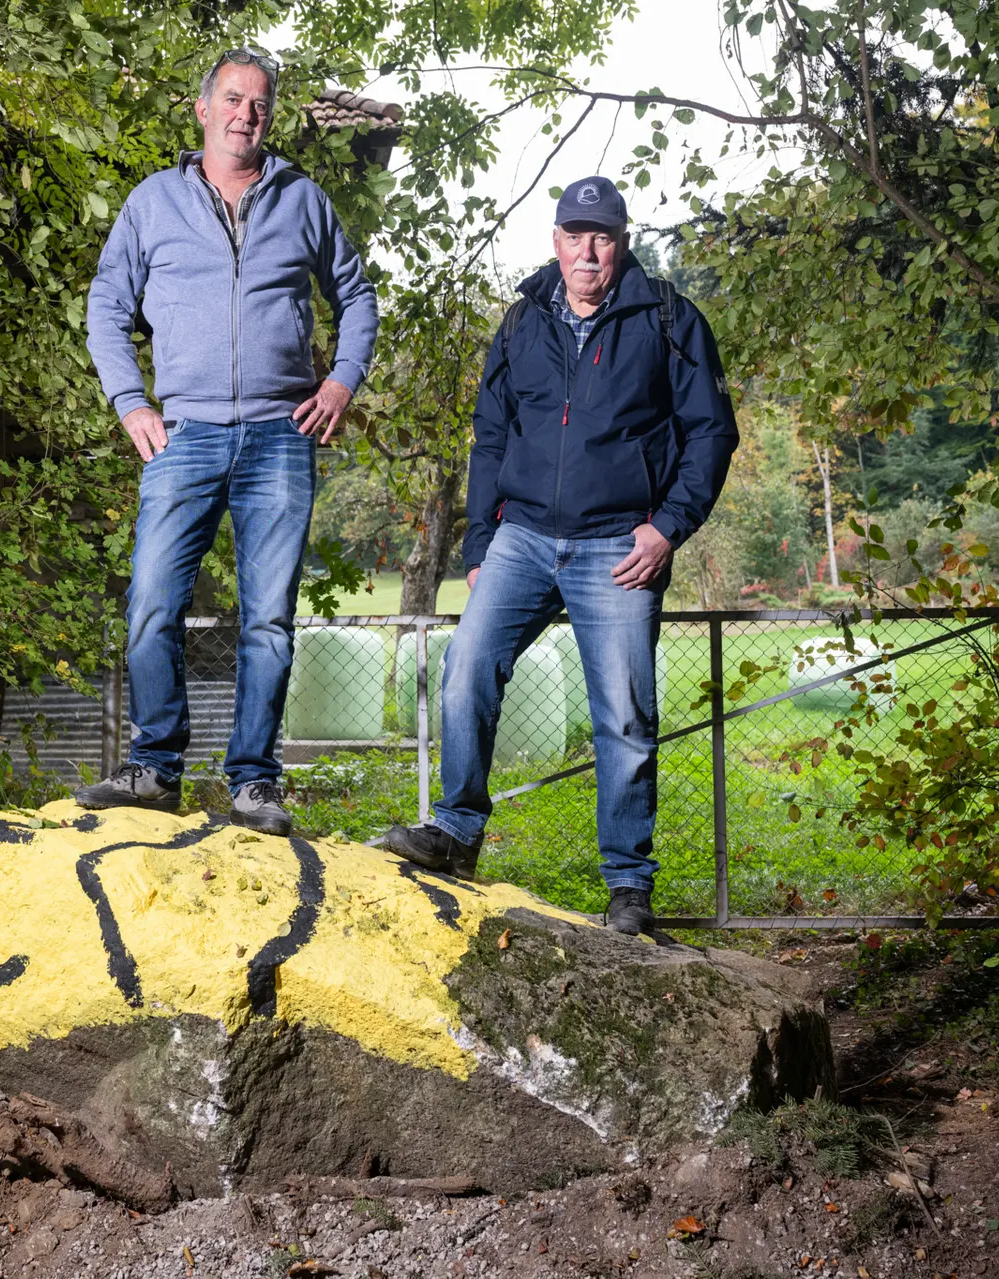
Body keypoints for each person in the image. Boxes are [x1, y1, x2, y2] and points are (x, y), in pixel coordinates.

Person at [382, 176, 738, 934]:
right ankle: (456, 830)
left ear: (622, 243)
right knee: (466, 667)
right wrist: (481, 541)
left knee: (624, 714)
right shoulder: (520, 323)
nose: (587, 250)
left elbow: (711, 432)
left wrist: (668, 526)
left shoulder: (669, 318)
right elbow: (490, 433)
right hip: (523, 537)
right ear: (555, 241)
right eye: (575, 234)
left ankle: (628, 886)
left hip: (620, 543)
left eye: (602, 236)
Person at [79, 49, 379, 836]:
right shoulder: (153, 203)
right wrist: (129, 402)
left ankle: (253, 781)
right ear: (203, 109)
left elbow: (356, 294)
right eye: (234, 99)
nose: (247, 113)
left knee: (268, 620)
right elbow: (107, 304)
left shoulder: (303, 202)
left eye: (261, 103)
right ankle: (155, 768)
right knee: (151, 606)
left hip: (282, 437)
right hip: (182, 436)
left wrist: (341, 382)